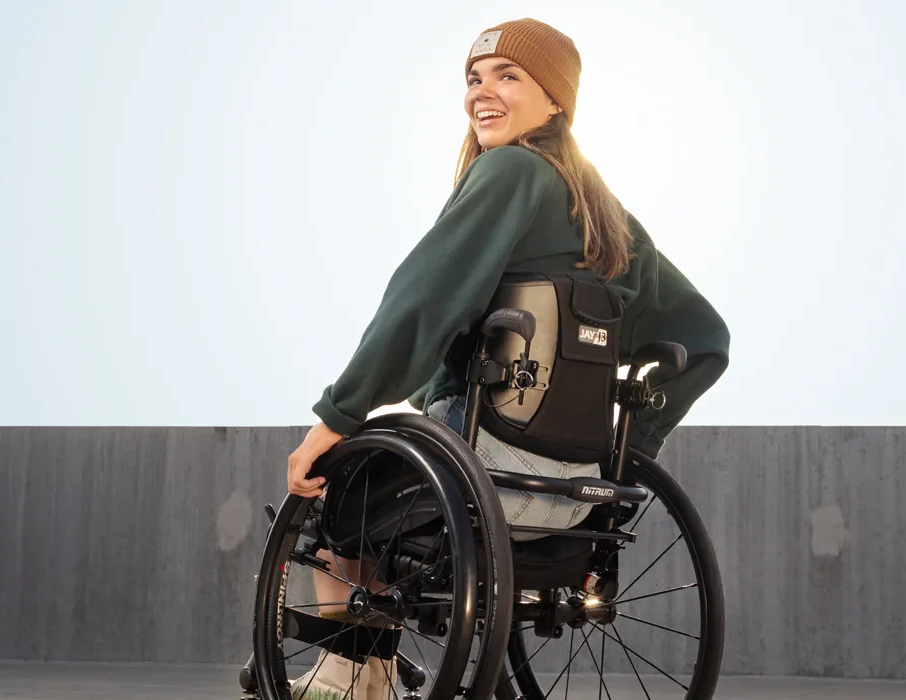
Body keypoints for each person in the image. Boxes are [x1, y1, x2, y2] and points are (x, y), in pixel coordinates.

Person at [279, 18, 730, 700]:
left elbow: (423, 299)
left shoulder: (509, 171)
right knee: (387, 462)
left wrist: (338, 416)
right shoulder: (607, 215)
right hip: (573, 498)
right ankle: (373, 666)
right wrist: (620, 461)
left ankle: (353, 669)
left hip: (477, 468)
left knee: (339, 480)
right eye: (473, 78)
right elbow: (705, 341)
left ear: (556, 100)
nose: (481, 93)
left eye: (508, 76)